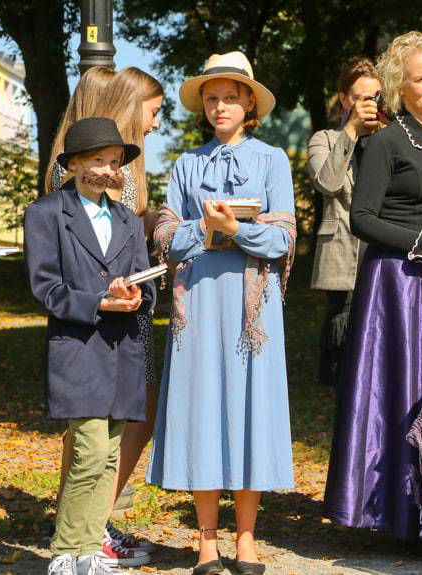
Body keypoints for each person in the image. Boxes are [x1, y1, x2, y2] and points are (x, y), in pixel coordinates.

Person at [323, 31, 422, 545]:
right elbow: (362, 218)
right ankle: (398, 514)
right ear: (400, 86)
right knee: (404, 390)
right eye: (420, 79)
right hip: (398, 286)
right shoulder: (385, 142)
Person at [148, 51, 296, 575]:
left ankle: (248, 539)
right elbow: (166, 237)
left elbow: (283, 238)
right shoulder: (187, 165)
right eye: (211, 98)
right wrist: (206, 228)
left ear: (249, 102)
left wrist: (236, 230)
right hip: (198, 304)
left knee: (251, 411)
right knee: (203, 412)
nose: (220, 106)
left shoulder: (272, 159)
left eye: (230, 97)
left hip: (254, 309)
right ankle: (207, 541)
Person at [24, 117, 155, 575]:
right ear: (74, 163)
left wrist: (136, 296)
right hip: (77, 349)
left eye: (115, 162)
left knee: (111, 455)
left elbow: (146, 285)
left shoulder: (128, 220)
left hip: (123, 351)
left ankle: (88, 553)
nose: (108, 169)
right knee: (91, 450)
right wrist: (98, 301)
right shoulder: (45, 213)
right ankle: (66, 551)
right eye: (98, 159)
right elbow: (44, 287)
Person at [47, 66, 164, 567]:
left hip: (129, 311)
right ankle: (81, 536)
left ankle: (93, 528)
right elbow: (91, 240)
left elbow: (126, 231)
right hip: (101, 315)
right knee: (98, 432)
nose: (156, 123)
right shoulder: (88, 177)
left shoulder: (121, 171)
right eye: (154, 111)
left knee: (118, 428)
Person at [307, 57, 381, 387]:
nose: (368, 105)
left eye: (374, 97)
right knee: (346, 357)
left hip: (385, 253)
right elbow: (329, 183)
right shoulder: (324, 139)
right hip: (344, 258)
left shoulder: (392, 141)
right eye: (360, 98)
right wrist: (350, 130)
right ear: (344, 99)